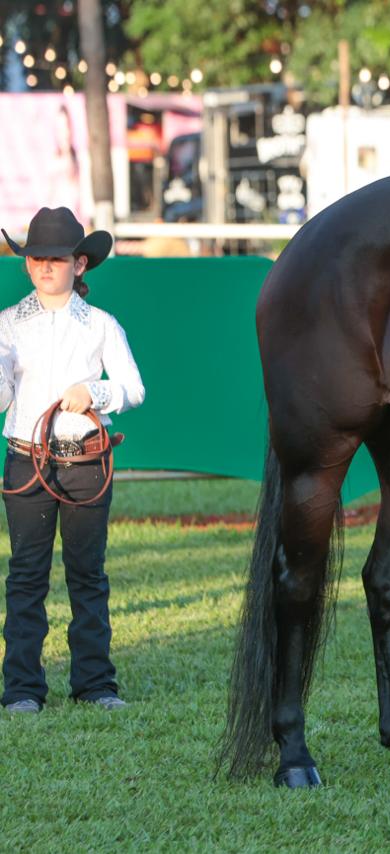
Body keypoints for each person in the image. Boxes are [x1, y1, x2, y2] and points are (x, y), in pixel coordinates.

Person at [0, 207, 145, 713]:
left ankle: (95, 683)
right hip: (27, 460)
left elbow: (133, 388)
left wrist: (95, 392)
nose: (44, 266)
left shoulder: (101, 325)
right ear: (27, 263)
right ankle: (22, 688)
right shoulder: (8, 325)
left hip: (85, 461)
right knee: (26, 575)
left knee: (88, 574)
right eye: (36, 257)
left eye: (56, 258)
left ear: (79, 264)